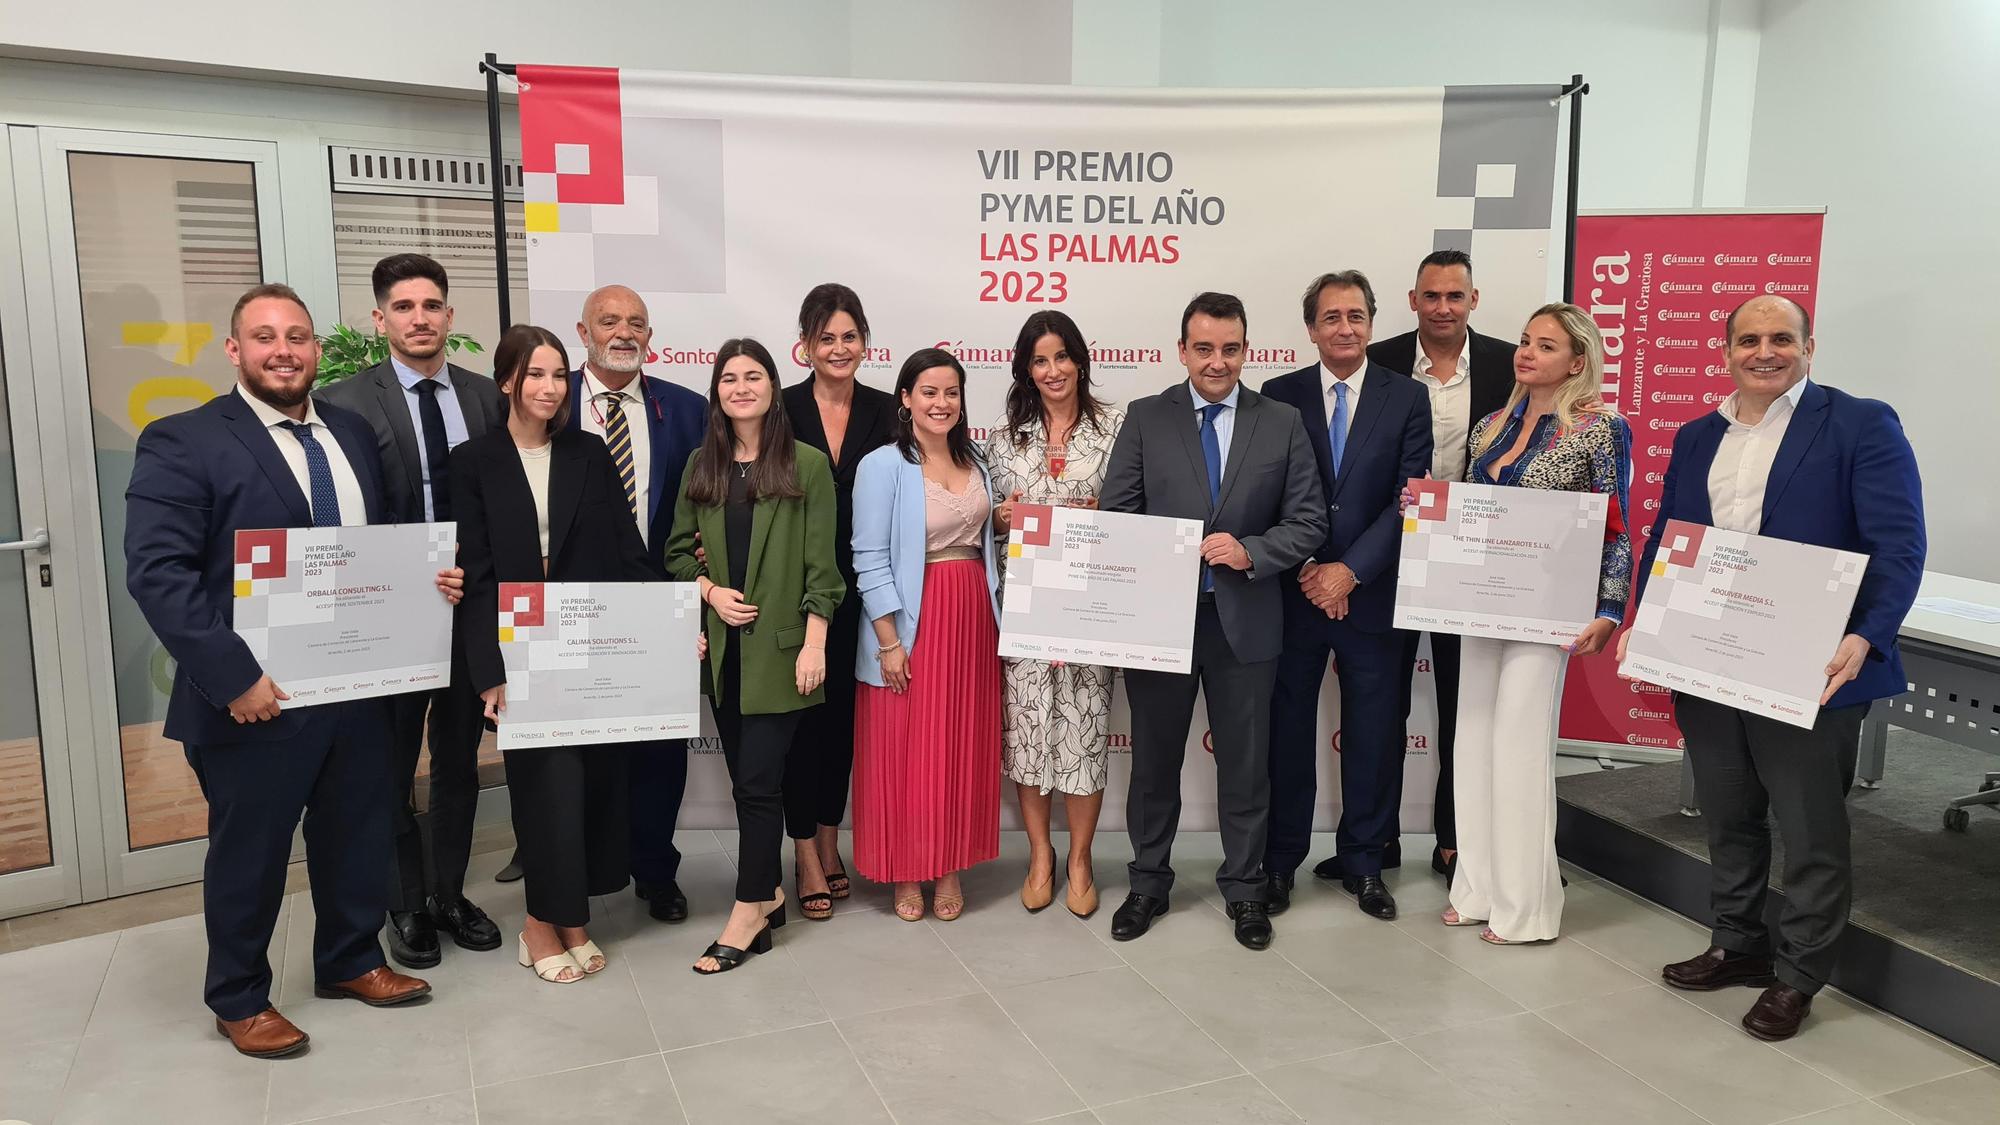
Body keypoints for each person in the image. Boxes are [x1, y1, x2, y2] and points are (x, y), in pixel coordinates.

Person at [125, 283, 446, 1057]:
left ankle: (349, 958)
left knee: (357, 831)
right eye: (264, 337)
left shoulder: (351, 431)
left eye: (297, 336)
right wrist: (234, 678)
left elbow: (376, 544)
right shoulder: (185, 439)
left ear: (315, 348)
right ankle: (238, 996)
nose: (285, 351)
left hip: (357, 684)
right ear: (234, 350)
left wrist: (428, 582)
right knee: (252, 852)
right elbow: (157, 573)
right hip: (255, 697)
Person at [1626, 295, 1924, 1041]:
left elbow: (1899, 543)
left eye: (1781, 338)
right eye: (1749, 339)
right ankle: (1738, 942)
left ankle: (1798, 976)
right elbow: (1669, 538)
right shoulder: (1698, 435)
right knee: (1729, 813)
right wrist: (1647, 622)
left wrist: (1869, 634)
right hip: (1710, 657)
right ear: (1725, 351)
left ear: (1809, 345)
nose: (1766, 351)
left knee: (1810, 828)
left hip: (1813, 661)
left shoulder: (1860, 422)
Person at [1099, 292, 1326, 951]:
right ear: (1182, 351)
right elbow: (1118, 516)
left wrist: (1252, 550)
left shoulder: (1280, 421)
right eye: (1204, 348)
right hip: (1161, 622)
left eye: (1230, 348)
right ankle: (1148, 882)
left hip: (1247, 619)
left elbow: (1310, 520)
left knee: (1247, 766)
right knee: (1154, 763)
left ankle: (1247, 889)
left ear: (1246, 350)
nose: (1217, 361)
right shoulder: (1146, 417)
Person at [317, 252, 504, 969]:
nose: (419, 318)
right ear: (380, 318)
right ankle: (405, 902)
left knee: (458, 760)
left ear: (450, 317)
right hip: (389, 616)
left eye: (432, 305)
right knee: (390, 766)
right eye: (404, 307)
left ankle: (451, 895)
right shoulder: (344, 403)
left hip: (468, 613)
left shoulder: (486, 397)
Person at [455, 324, 656, 983]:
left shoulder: (589, 453)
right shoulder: (472, 461)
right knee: (546, 787)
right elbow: (476, 574)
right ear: (508, 379)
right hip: (520, 648)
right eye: (533, 373)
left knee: (594, 781)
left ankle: (572, 915)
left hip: (589, 640)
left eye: (556, 374)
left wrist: (667, 622)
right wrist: (490, 673)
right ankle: (540, 921)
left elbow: (627, 552)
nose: (547, 386)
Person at [1440, 302, 1632, 946]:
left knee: (1519, 748)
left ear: (1578, 361)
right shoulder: (1491, 426)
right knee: (1474, 739)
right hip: (1479, 601)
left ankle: (1526, 909)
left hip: (1547, 609)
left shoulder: (1601, 429)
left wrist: (1609, 609)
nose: (1527, 353)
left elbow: (1618, 524)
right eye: (1525, 341)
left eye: (1546, 346)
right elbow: (1470, 513)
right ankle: (1477, 889)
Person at [665, 338, 843, 972]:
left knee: (762, 784)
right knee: (749, 785)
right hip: (724, 657)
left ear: (773, 387)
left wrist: (815, 644)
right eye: (730, 378)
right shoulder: (701, 466)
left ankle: (747, 910)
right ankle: (768, 897)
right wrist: (709, 590)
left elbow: (825, 569)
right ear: (717, 391)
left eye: (754, 376)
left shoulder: (807, 465)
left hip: (784, 653)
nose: (741, 387)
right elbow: (677, 553)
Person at [1260, 272, 1432, 921]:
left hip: (1372, 592)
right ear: (1311, 328)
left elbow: (1408, 496)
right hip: (1296, 592)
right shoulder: (1280, 395)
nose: (1345, 327)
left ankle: (1364, 861)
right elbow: (1268, 491)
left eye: (1356, 315)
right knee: (1287, 732)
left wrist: (1349, 571)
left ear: (1371, 322)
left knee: (1373, 732)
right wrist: (1311, 566)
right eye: (1331, 317)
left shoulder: (1407, 397)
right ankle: (1280, 862)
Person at [1366, 249, 1515, 885]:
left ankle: (1455, 838)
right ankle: (1377, 840)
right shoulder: (1380, 363)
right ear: (1413, 300)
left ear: (1474, 300)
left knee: (1464, 702)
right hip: (1392, 553)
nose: (1444, 307)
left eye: (1456, 296)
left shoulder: (1515, 365)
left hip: (1476, 559)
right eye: (1432, 296)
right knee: (1383, 705)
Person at [563, 284, 706, 922]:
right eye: (609, 321)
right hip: (572, 602)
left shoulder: (686, 409)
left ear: (651, 336)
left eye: (637, 323)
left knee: (659, 747)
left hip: (660, 599)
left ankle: (655, 869)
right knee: (578, 749)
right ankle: (581, 874)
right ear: (583, 330)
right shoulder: (548, 399)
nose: (624, 332)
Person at [851, 349, 1003, 921]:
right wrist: (888, 640)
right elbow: (869, 557)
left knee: (959, 743)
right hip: (914, 621)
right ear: (906, 399)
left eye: (952, 393)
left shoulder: (978, 461)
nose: (942, 403)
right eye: (929, 392)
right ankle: (907, 869)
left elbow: (985, 538)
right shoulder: (883, 465)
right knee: (909, 746)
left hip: (972, 619)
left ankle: (950, 865)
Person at [987, 310, 1125, 918]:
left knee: (1085, 733)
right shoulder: (1001, 438)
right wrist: (1001, 518)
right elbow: (982, 520)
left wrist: (1106, 514)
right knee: (1028, 737)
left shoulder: (1118, 428)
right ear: (1025, 368)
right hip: (1027, 608)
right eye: (1039, 360)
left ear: (1080, 360)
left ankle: (1081, 858)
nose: (1052, 371)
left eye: (1062, 357)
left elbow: (1137, 515)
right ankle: (1041, 854)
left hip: (1091, 607)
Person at [780, 283, 898, 917]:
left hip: (868, 591)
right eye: (826, 337)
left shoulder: (888, 410)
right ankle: (802, 853)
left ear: (865, 343)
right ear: (805, 346)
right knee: (801, 726)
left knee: (842, 728)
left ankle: (830, 842)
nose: (839, 347)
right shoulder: (780, 407)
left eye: (849, 336)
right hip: (797, 591)